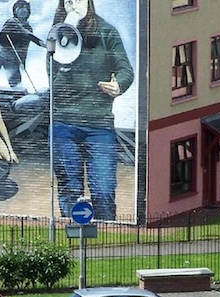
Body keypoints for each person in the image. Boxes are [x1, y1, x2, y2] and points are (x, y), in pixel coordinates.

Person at [50, 0, 134, 221]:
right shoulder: (56, 36)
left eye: (78, 0)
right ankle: (71, 241)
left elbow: (125, 69)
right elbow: (53, 81)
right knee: (70, 189)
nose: (74, 5)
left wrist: (119, 85)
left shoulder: (107, 32)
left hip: (99, 125)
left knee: (103, 191)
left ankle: (106, 239)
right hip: (63, 125)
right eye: (68, 1)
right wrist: (64, 53)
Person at [0, 0, 43, 89]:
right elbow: (24, 32)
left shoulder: (29, 27)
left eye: (25, 8)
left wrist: (23, 62)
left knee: (15, 82)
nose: (22, 10)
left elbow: (24, 48)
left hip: (12, 57)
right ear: (15, 10)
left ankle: (17, 97)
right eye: (19, 8)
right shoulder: (12, 22)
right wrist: (40, 43)